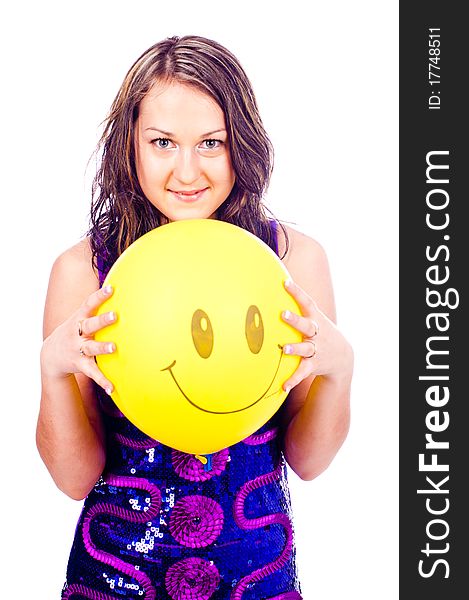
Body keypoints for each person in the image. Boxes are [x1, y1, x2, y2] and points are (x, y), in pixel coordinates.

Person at [37, 35, 353, 600]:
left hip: (257, 578)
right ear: (130, 146)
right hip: (114, 577)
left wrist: (340, 370)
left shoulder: (294, 263)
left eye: (212, 142)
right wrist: (54, 373)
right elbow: (71, 478)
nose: (188, 170)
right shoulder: (84, 273)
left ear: (243, 145)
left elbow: (309, 462)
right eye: (163, 142)